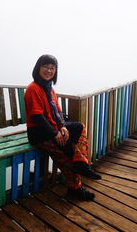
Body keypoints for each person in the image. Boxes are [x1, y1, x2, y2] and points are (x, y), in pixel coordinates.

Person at [24, 54, 101, 200]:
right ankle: (76, 187)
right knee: (66, 151)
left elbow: (58, 111)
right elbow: (37, 116)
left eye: (52, 68)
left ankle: (80, 162)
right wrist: (55, 133)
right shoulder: (33, 89)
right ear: (38, 68)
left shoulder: (49, 88)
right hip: (39, 133)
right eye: (45, 67)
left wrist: (62, 127)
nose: (49, 70)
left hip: (52, 127)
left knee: (79, 127)